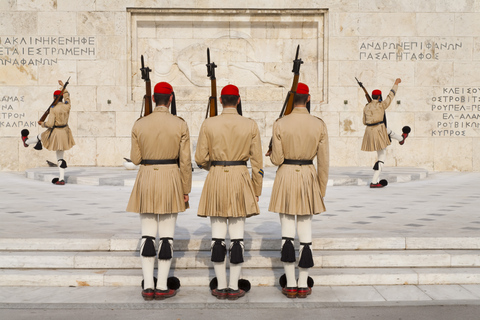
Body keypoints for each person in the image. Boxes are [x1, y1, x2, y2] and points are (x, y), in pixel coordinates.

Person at [195, 84, 263, 300]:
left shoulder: (209, 123)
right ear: (239, 100)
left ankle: (220, 285)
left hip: (216, 176)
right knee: (237, 237)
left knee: (217, 236)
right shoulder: (250, 125)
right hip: (240, 177)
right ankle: (233, 286)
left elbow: (199, 158)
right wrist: (256, 188)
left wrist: (213, 167)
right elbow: (258, 161)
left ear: (221, 101)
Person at [126, 81, 192, 301]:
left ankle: (148, 286)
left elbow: (135, 159)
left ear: (153, 99)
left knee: (147, 235)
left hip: (146, 177)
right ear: (171, 99)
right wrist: (185, 188)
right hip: (171, 177)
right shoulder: (180, 124)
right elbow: (185, 162)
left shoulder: (139, 124)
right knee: (166, 237)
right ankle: (162, 285)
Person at [268, 82, 329, 299]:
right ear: (309, 98)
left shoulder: (280, 123)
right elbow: (324, 161)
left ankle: (290, 283)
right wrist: (320, 190)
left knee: (286, 231)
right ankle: (303, 283)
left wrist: (272, 153)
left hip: (285, 175)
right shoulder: (319, 124)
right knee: (305, 230)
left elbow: (277, 159)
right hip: (308, 175)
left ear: (293, 100)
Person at [21, 80, 75, 185]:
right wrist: (64, 88)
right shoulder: (67, 106)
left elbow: (50, 124)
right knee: (60, 157)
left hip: (56, 132)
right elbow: (67, 97)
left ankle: (26, 141)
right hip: (65, 132)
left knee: (41, 136)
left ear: (54, 98)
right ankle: (61, 179)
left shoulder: (53, 109)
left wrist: (42, 123)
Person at [361, 78, 409, 188]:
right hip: (379, 131)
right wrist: (395, 84)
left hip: (369, 132)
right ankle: (374, 182)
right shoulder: (381, 105)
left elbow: (364, 121)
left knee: (388, 130)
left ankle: (401, 139)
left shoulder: (366, 107)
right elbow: (391, 96)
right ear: (379, 97)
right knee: (381, 158)